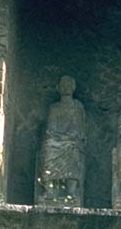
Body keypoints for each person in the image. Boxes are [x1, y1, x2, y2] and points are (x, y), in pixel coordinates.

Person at [36, 75, 86, 205]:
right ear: (58, 88)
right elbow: (50, 128)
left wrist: (69, 136)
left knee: (72, 148)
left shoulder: (77, 106)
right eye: (63, 84)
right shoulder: (54, 107)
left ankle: (71, 191)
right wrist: (56, 135)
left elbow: (78, 128)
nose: (66, 87)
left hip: (71, 140)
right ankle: (50, 190)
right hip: (57, 139)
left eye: (69, 84)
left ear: (73, 87)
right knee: (49, 148)